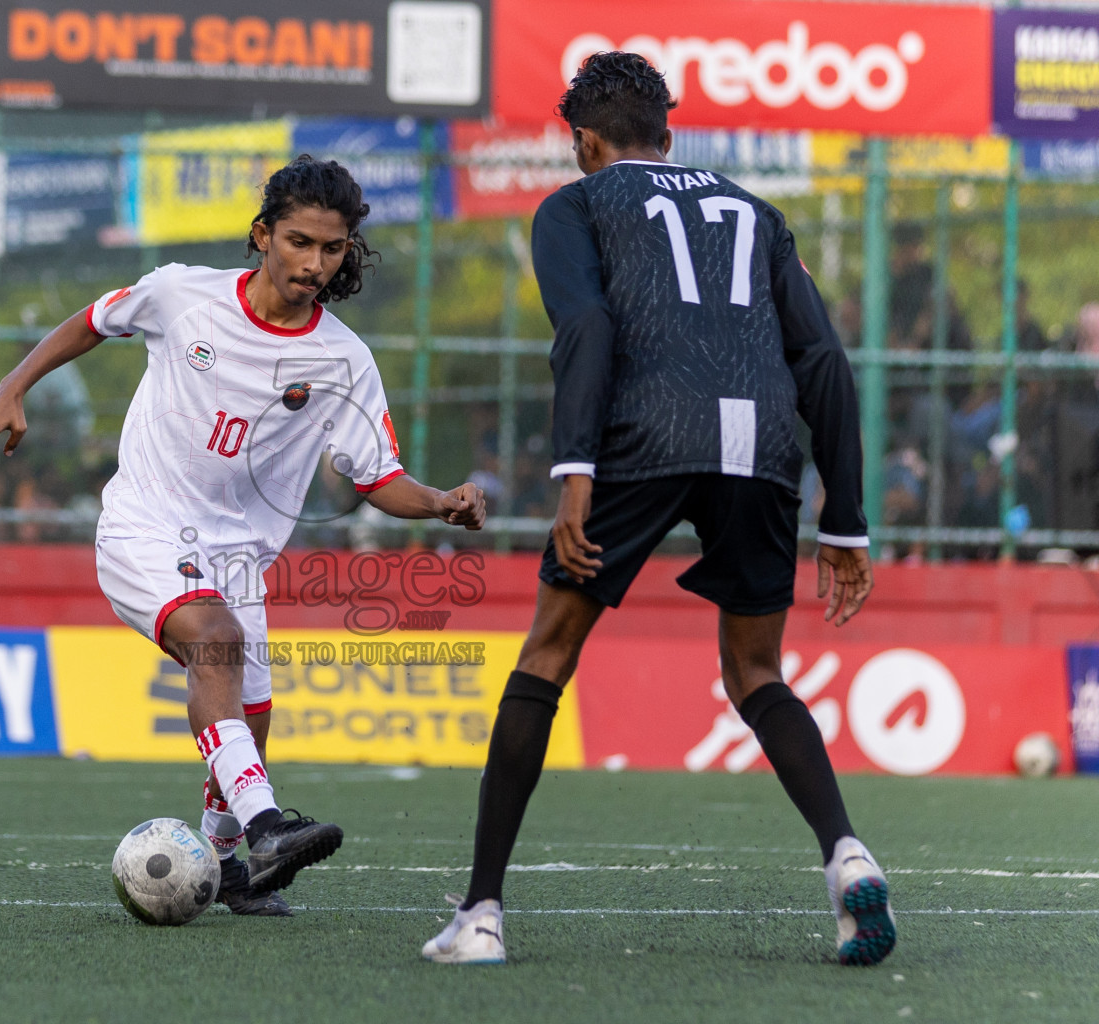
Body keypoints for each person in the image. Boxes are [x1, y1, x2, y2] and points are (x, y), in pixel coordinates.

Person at [423, 53, 892, 967]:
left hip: (643, 436)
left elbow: (589, 328)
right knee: (758, 676)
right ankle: (847, 855)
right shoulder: (755, 212)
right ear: (668, 136)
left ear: (583, 142)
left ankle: (479, 915)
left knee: (547, 657)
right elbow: (825, 361)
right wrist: (846, 521)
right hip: (760, 445)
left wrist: (576, 474)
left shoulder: (576, 204)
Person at [0, 156, 486, 915]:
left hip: (238, 559)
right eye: (299, 241)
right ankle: (268, 829)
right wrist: (13, 386)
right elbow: (94, 320)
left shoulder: (344, 358)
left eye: (332, 249)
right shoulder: (184, 296)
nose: (313, 263)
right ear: (262, 235)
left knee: (253, 710)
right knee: (213, 641)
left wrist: (440, 500)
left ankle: (223, 863)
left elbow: (378, 478)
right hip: (143, 525)